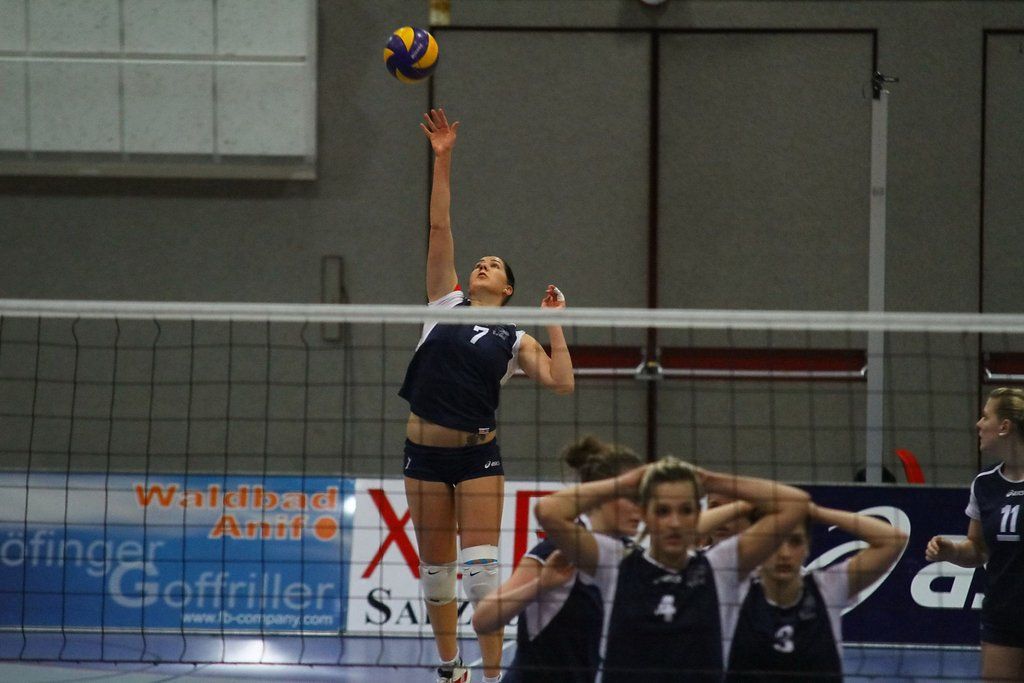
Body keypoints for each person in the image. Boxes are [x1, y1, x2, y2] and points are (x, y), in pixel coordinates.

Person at [401, 108, 575, 683]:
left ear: (508, 288)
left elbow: (561, 382)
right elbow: (439, 229)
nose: (483, 264)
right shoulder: (443, 303)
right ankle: (451, 669)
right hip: (423, 456)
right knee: (436, 573)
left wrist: (553, 324)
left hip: (477, 456)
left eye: (494, 265)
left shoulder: (515, 337)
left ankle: (495, 678)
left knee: (480, 576)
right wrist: (443, 159)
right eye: (480, 261)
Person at [535, 456, 810, 682]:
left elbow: (796, 503)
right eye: (663, 511)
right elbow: (548, 510)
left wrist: (709, 480)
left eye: (686, 511)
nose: (675, 523)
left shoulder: (720, 567)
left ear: (698, 515)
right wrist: (628, 482)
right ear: (644, 514)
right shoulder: (615, 563)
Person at [471, 437, 643, 682]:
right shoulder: (554, 553)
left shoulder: (630, 557)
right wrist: (541, 584)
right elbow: (483, 620)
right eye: (630, 497)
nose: (639, 508)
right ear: (599, 495)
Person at [726, 502, 908, 681]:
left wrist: (814, 512)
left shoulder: (828, 588)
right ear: (758, 545)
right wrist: (747, 507)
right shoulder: (732, 592)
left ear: (807, 546)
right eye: (774, 541)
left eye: (795, 541)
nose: (784, 554)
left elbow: (894, 540)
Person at [926, 387, 1024, 681]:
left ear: (1004, 426)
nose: (978, 424)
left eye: (985, 417)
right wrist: (951, 551)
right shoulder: (984, 484)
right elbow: (978, 549)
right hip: (1003, 612)